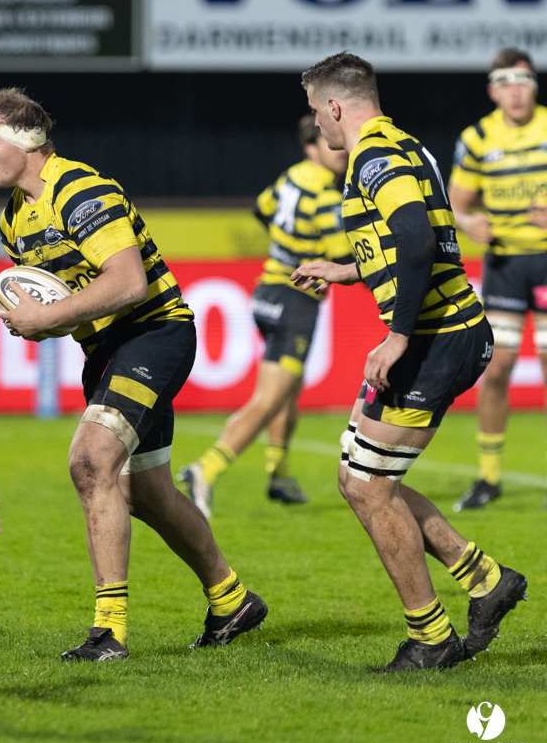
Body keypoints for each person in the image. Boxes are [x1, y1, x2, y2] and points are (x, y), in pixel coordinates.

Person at [0, 87, 268, 661]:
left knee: (90, 461)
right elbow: (68, 303)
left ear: (26, 141)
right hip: (106, 349)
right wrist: (39, 324)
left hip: (154, 334)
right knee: (148, 494)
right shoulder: (15, 220)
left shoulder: (80, 190)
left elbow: (129, 283)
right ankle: (232, 600)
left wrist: (47, 316)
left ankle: (108, 632)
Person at [294, 52, 527, 672]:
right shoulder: (404, 146)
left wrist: (396, 336)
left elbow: (421, 241)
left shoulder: (373, 154)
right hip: (436, 333)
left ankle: (430, 638)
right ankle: (486, 581)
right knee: (358, 477)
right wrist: (347, 270)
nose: (318, 125)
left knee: (369, 485)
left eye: (318, 112)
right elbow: (418, 239)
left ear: (336, 105)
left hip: (434, 337)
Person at [179, 114, 351, 516]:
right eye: (330, 144)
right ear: (311, 148)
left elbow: (261, 209)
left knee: (288, 391)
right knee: (269, 400)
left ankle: (279, 474)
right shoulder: (326, 196)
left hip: (266, 291)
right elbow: (344, 259)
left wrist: (288, 250)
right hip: (293, 304)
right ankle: (206, 469)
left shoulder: (290, 178)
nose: (340, 153)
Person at [449, 49, 547, 511]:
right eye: (506, 82)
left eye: (523, 80)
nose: (515, 89)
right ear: (493, 90)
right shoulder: (477, 137)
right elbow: (458, 201)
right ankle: (489, 476)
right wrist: (469, 224)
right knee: (498, 367)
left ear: (534, 86)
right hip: (505, 265)